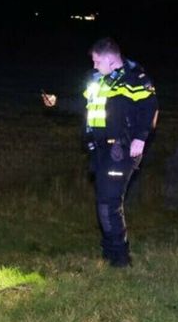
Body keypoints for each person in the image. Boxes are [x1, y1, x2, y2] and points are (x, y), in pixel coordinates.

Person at [42, 37, 158, 267]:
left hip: (121, 149)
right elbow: (83, 106)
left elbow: (150, 108)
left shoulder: (136, 79)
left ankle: (120, 259)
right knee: (105, 201)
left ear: (110, 59)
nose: (93, 66)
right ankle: (110, 252)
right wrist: (57, 103)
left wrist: (140, 138)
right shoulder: (99, 80)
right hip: (99, 150)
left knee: (108, 202)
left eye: (96, 61)